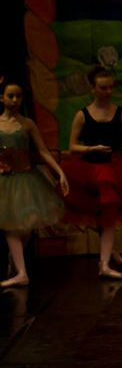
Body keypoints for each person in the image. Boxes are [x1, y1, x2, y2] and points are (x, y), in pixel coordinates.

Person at [61, 66, 122, 279]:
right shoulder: (82, 115)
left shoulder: (121, 113)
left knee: (109, 216)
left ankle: (104, 263)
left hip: (115, 169)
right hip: (88, 169)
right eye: (103, 87)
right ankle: (109, 252)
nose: (108, 91)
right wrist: (91, 149)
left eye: (111, 87)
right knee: (97, 216)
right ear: (93, 89)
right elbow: (72, 146)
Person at [0, 81, 69, 287]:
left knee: (26, 225)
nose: (15, 100)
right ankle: (22, 272)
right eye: (10, 96)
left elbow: (43, 151)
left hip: (25, 178)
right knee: (10, 225)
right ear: (1, 98)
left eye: (18, 96)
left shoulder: (27, 124)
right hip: (4, 180)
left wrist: (60, 172)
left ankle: (16, 260)